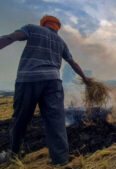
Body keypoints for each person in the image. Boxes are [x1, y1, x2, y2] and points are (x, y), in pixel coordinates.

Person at [0, 15, 91, 165]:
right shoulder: (61, 42)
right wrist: (85, 79)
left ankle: (14, 155)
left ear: (44, 23)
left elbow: (11, 38)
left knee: (21, 119)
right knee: (56, 122)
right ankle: (61, 161)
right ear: (57, 27)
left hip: (29, 80)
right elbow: (73, 63)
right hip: (53, 83)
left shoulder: (32, 29)